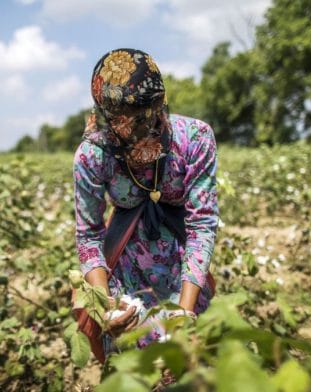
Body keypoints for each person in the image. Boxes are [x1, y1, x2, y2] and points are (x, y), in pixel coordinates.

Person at [73, 48, 218, 362]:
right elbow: (89, 237)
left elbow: (201, 226)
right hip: (125, 259)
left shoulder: (194, 138)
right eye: (120, 123)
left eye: (143, 120)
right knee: (131, 356)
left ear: (160, 103)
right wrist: (107, 306)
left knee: (188, 357)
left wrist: (184, 310)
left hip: (182, 258)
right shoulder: (93, 153)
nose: (132, 132)